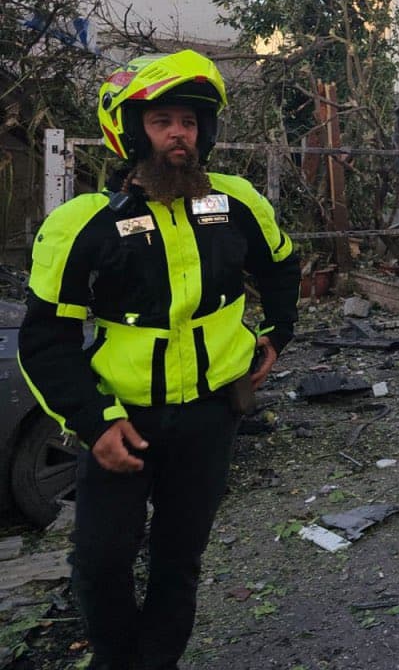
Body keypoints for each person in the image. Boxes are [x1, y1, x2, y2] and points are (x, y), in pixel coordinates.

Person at [19, 50, 300, 670]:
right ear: (131, 131)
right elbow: (45, 341)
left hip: (211, 417)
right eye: (163, 121)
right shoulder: (82, 224)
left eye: (190, 122)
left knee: (180, 558)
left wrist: (277, 334)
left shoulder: (236, 202)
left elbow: (282, 264)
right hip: (124, 422)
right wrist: (94, 422)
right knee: (100, 561)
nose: (179, 134)